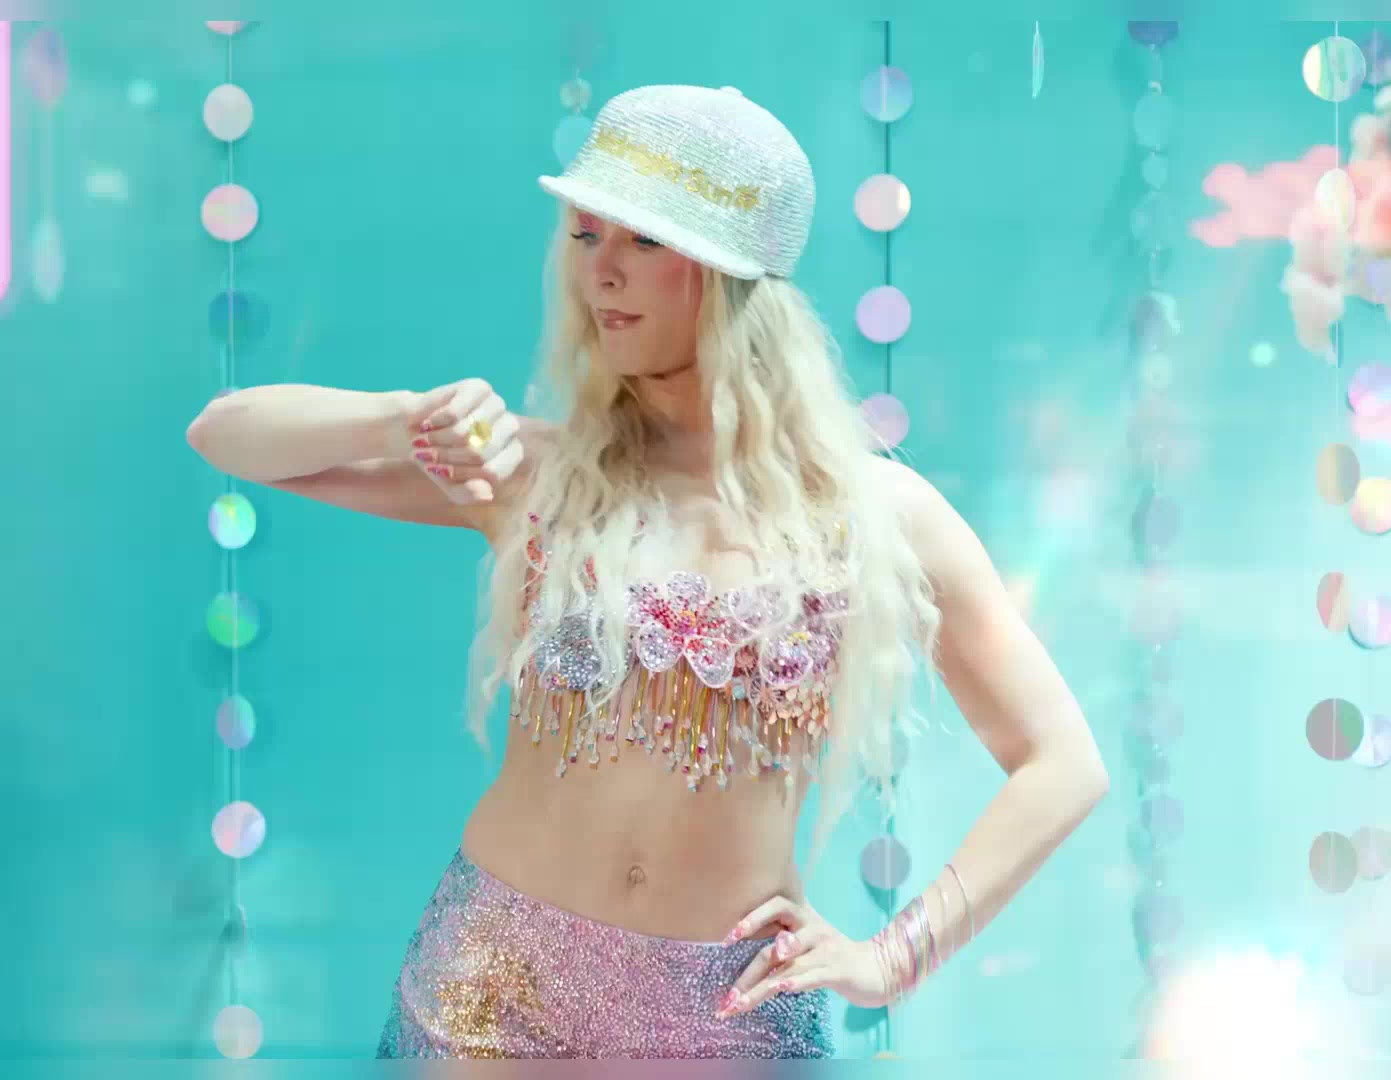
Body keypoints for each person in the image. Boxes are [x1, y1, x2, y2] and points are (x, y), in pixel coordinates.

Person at [186, 84, 1108, 1059]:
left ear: (732, 276)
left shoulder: (879, 516)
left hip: (728, 1010)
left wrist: (893, 957)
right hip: (493, 985)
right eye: (587, 237)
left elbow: (1062, 762)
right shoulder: (539, 471)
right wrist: (401, 416)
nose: (602, 272)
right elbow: (225, 436)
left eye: (645, 241)